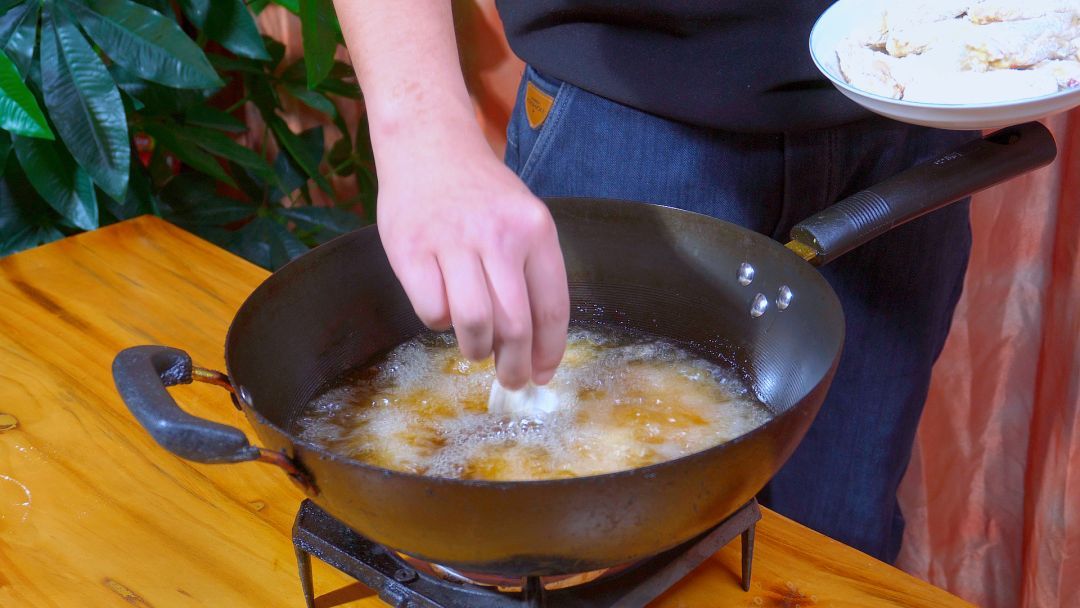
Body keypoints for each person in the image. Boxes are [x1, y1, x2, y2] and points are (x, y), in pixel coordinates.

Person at [331, 0, 974, 564]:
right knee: (584, 558)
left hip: (911, 91)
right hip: (628, 118)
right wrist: (420, 127)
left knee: (843, 545)